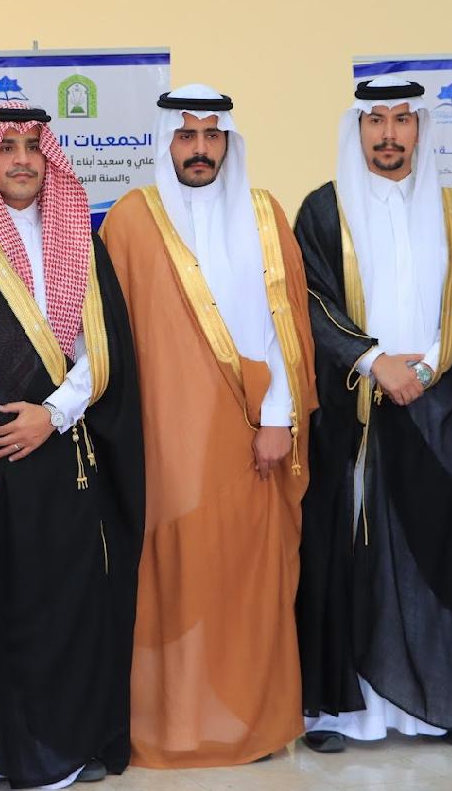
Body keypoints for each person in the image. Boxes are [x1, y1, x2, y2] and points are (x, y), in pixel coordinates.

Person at [0, 102, 144, 790]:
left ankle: (61, 745)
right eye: (4, 147)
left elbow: (103, 351)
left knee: (61, 605)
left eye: (32, 146)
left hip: (59, 456)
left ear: (49, 157)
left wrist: (54, 414)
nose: (20, 159)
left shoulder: (82, 241)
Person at [99, 84, 316, 767]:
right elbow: (104, 337)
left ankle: (246, 723)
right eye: (187, 135)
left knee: (245, 582)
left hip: (252, 434)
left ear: (228, 141)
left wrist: (278, 419)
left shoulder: (264, 214)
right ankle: (167, 725)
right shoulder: (130, 220)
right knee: (171, 581)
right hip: (160, 441)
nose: (200, 149)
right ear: (167, 141)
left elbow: (287, 329)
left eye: (212, 135)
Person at [294, 76, 452, 751]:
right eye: (375, 120)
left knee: (437, 551)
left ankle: (440, 708)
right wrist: (374, 360)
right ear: (357, 128)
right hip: (354, 410)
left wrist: (425, 370)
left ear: (420, 128)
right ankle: (340, 714)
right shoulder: (323, 209)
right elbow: (310, 302)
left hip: (438, 409)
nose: (389, 134)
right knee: (347, 554)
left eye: (402, 120)